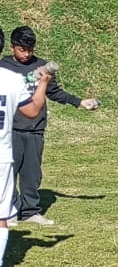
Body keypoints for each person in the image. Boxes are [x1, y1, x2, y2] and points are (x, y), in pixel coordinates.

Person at [0, 25, 100, 226]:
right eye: (22, 50)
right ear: (12, 47)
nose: (27, 54)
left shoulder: (42, 67)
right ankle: (9, 210)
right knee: (8, 172)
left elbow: (54, 92)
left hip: (35, 128)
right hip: (11, 129)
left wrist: (79, 102)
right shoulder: (4, 68)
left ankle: (30, 211)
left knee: (31, 173)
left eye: (30, 49)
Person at [0, 53, 56, 267]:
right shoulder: (12, 79)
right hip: (2, 156)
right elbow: (33, 110)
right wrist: (42, 83)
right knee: (1, 215)